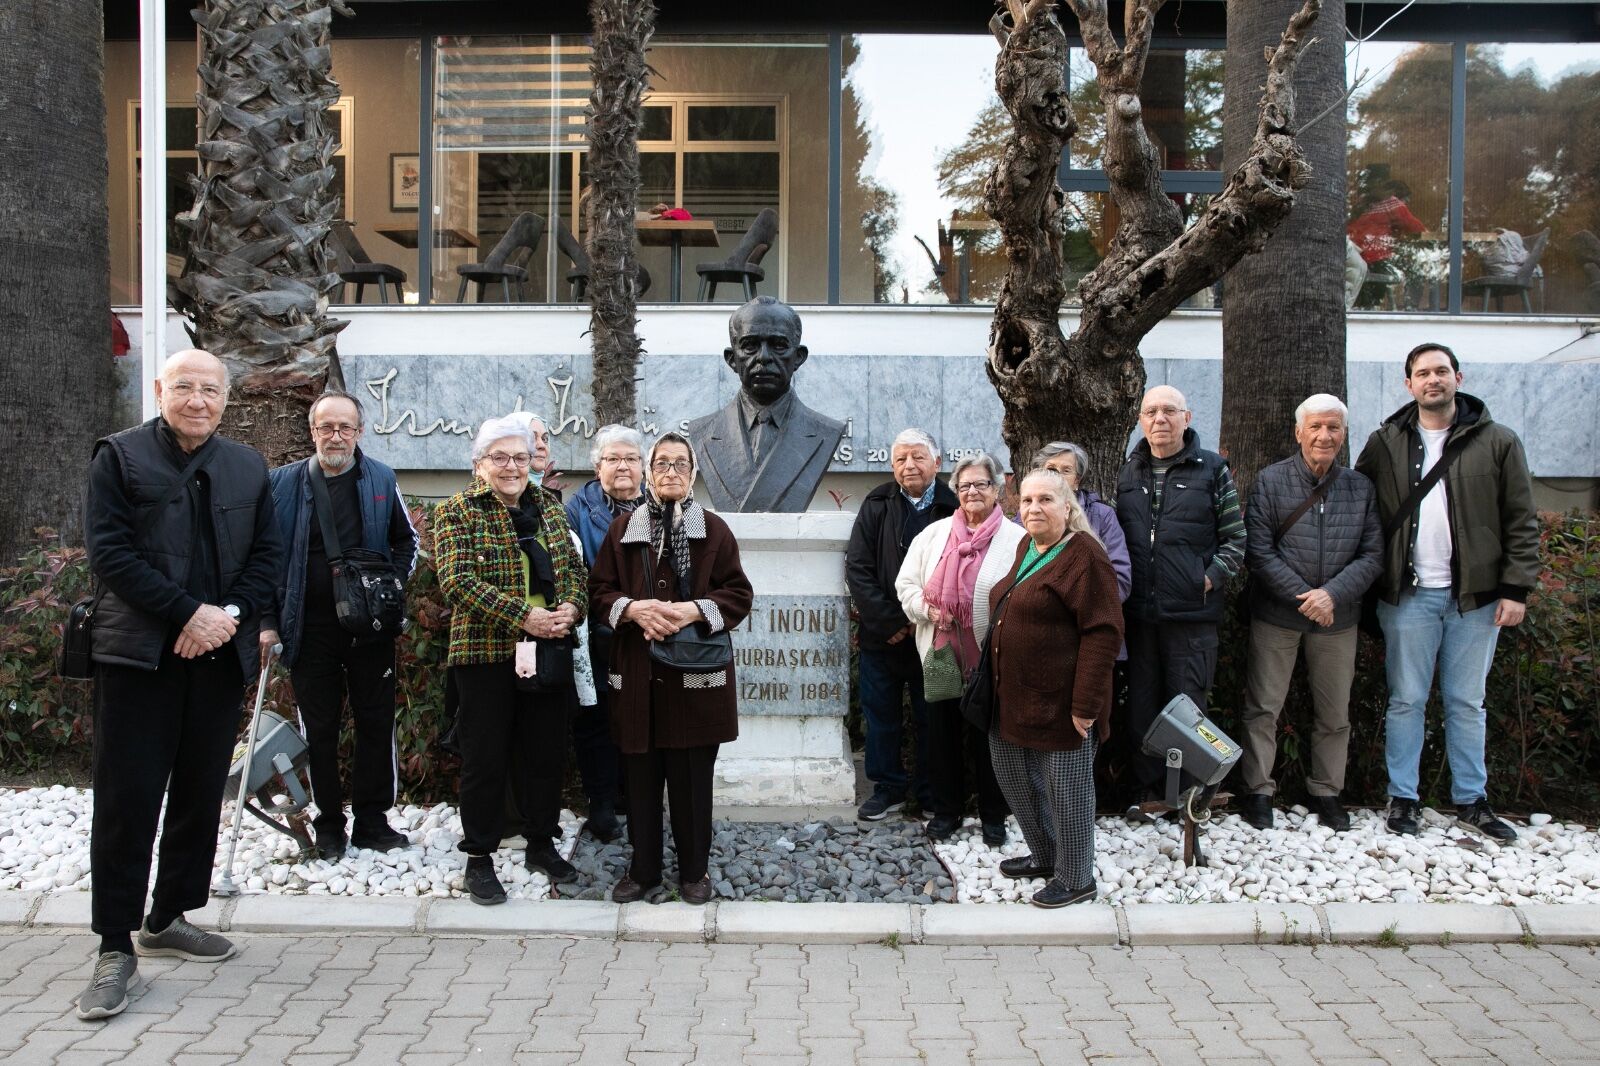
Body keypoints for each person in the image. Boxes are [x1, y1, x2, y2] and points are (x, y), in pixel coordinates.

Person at [78, 349, 282, 1020]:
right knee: (128, 799)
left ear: (227, 398)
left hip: (216, 657)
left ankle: (168, 916)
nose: (198, 399)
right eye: (185, 387)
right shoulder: (120, 456)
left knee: (199, 792)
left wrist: (221, 618)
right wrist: (184, 611)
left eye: (211, 389)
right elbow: (110, 553)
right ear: (160, 390)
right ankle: (115, 944)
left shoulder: (248, 466)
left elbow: (266, 559)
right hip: (139, 657)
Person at [1355, 343, 1539, 841]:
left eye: (1441, 371)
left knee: (1466, 702)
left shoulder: (1499, 441)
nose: (1432, 379)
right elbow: (1360, 512)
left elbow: (1521, 521)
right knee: (1406, 700)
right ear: (1408, 384)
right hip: (1407, 597)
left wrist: (1516, 589)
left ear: (1458, 376)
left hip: (1475, 600)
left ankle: (1472, 801)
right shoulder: (1385, 442)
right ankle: (1404, 798)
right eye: (1422, 373)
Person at [589, 432, 754, 905]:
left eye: (680, 464)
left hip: (695, 680)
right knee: (639, 780)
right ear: (647, 472)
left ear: (694, 473)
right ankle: (643, 872)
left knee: (691, 781)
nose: (671, 473)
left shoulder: (715, 531)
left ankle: (694, 872)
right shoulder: (623, 532)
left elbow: (738, 595)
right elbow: (598, 592)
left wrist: (692, 610)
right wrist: (633, 609)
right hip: (638, 674)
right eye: (661, 464)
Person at [432, 413, 588, 904]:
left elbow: (574, 571)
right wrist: (524, 616)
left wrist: (571, 608)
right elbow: (456, 581)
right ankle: (479, 856)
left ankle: (540, 843)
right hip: (485, 652)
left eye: (520, 457)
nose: (511, 467)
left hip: (548, 650)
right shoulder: (458, 511)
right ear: (479, 465)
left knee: (543, 752)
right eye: (499, 458)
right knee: (485, 756)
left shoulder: (548, 507)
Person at [260, 390, 418, 860]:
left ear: (359, 432)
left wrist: (387, 588)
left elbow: (405, 541)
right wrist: (268, 622)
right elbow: (264, 560)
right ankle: (330, 824)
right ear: (312, 432)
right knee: (320, 728)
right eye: (326, 427)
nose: (335, 436)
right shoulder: (281, 485)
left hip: (370, 629)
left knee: (375, 722)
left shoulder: (381, 479)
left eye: (344, 427)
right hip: (307, 629)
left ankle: (372, 820)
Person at [1236, 395, 1383, 833]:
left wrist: (1331, 595)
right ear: (1299, 432)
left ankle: (1326, 791)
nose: (1324, 435)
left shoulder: (1360, 487)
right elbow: (1258, 551)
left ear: (1343, 434)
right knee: (1263, 707)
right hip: (1278, 614)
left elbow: (1373, 554)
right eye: (1315, 427)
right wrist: (1305, 595)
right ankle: (1258, 790)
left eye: (1333, 427)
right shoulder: (1270, 481)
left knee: (1334, 712)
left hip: (1338, 617)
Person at [986, 469, 1124, 908]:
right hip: (1016, 697)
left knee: (1067, 790)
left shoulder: (1085, 555)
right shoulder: (1029, 546)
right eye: (1026, 500)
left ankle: (1077, 876)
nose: (1033, 508)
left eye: (1045, 499)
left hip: (1064, 703)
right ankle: (1047, 856)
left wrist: (1085, 705)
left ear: (1068, 507)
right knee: (1012, 775)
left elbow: (1103, 632)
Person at [1115, 385, 1246, 812]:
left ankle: (1190, 793)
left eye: (1169, 411)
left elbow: (1235, 541)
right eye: (1151, 411)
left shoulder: (1212, 469)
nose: (1160, 419)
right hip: (1139, 615)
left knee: (1189, 708)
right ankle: (1147, 792)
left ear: (1187, 418)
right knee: (1141, 707)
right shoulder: (1127, 472)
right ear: (1141, 420)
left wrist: (1206, 580)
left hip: (1191, 616)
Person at [894, 452, 1023, 846]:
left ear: (997, 489)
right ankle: (947, 813)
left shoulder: (1017, 539)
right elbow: (906, 586)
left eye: (980, 484)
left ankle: (993, 818)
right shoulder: (932, 536)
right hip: (942, 650)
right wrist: (929, 609)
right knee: (942, 736)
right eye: (964, 486)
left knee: (991, 740)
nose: (972, 492)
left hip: (992, 658)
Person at [846, 428, 959, 821]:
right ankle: (888, 788)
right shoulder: (877, 503)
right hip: (884, 637)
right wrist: (892, 620)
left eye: (918, 457)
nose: (909, 465)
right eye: (901, 459)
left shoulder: (954, 506)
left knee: (938, 717)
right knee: (881, 718)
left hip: (939, 636)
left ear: (937, 463)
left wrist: (923, 620)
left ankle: (932, 794)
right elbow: (858, 568)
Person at [563, 424, 648, 843]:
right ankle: (600, 801)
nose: (623, 466)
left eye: (631, 459)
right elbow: (574, 571)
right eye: (613, 459)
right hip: (598, 631)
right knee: (597, 717)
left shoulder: (662, 504)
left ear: (643, 467)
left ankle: (634, 795)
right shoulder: (577, 510)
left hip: (650, 633)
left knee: (642, 715)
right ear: (597, 467)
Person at [684, 296, 846, 512]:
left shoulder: (825, 431)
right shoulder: (703, 432)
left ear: (798, 357)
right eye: (750, 346)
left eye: (778, 345)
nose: (764, 357)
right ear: (732, 359)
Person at [1032, 441, 1131, 603]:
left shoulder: (1102, 516)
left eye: (1066, 470)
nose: (1057, 475)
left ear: (1076, 481)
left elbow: (1119, 580)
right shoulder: (1028, 515)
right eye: (1050, 469)